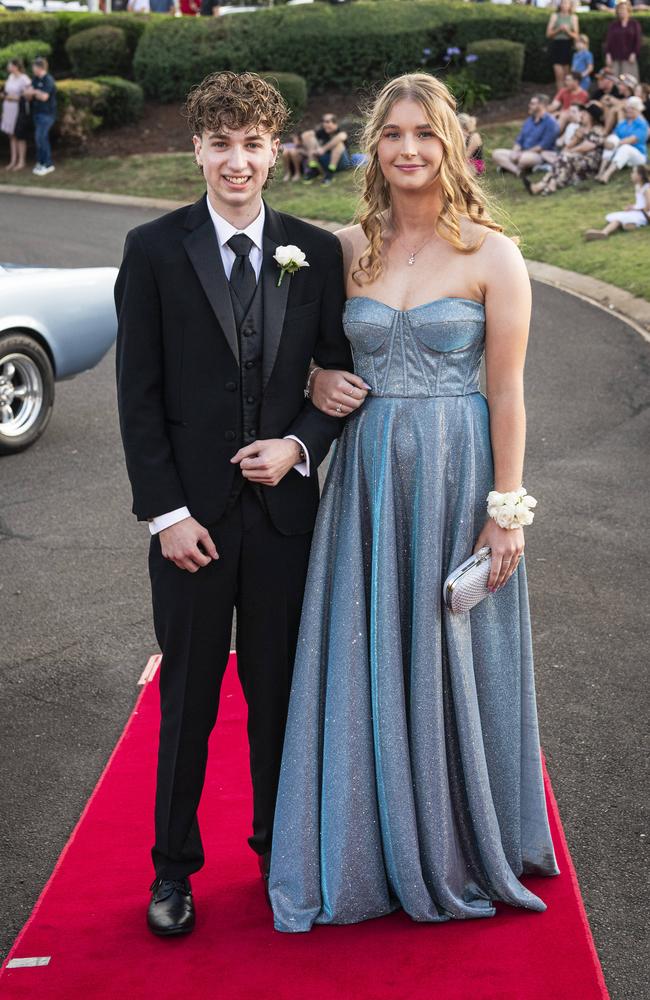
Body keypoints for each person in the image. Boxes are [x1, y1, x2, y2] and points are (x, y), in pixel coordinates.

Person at [269, 71, 560, 933]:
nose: (407, 149)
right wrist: (321, 377)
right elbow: (311, 358)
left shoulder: (493, 254)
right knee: (369, 648)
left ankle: (462, 837)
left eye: (424, 134)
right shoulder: (342, 249)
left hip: (455, 474)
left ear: (451, 144)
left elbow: (506, 394)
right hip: (363, 482)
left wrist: (505, 511)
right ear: (374, 144)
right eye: (392, 134)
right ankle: (364, 843)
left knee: (452, 652)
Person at [115, 71, 357, 937]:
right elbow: (137, 396)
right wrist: (165, 515)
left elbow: (334, 381)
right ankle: (173, 871)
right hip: (190, 526)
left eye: (253, 144)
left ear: (277, 150)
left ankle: (276, 851)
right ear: (197, 151)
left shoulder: (315, 253)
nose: (238, 161)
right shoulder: (152, 249)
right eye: (221, 144)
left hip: (285, 521)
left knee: (279, 695)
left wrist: (298, 447)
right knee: (189, 701)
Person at [525, 102, 605, 194]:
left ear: (591, 116)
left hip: (590, 162)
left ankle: (544, 185)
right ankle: (546, 185)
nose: (582, 115)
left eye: (585, 114)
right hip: (577, 159)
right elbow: (568, 146)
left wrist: (571, 151)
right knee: (562, 159)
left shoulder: (598, 129)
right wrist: (577, 138)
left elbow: (588, 146)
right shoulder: (580, 129)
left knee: (565, 158)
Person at [492, 94, 560, 176]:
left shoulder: (551, 123)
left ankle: (508, 166)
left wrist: (521, 154)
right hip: (522, 153)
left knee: (524, 159)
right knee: (496, 153)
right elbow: (519, 140)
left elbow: (542, 146)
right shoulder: (529, 120)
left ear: (541, 105)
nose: (529, 105)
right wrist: (515, 152)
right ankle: (517, 171)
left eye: (532, 103)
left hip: (539, 155)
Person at [585, 164, 650, 237]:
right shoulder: (638, 186)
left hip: (644, 215)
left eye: (633, 172)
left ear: (640, 176)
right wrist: (632, 206)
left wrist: (634, 208)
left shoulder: (647, 189)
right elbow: (641, 203)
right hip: (639, 212)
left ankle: (604, 232)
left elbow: (648, 207)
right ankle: (608, 231)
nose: (631, 174)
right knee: (620, 220)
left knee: (619, 219)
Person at [596, 95, 648, 181]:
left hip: (638, 156)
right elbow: (614, 135)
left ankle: (606, 175)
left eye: (631, 108)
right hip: (621, 154)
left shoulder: (642, 124)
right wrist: (607, 141)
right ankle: (600, 172)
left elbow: (632, 140)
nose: (628, 110)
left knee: (625, 147)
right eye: (628, 107)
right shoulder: (623, 123)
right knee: (612, 138)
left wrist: (613, 145)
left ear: (637, 110)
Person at [24, 57, 56, 177]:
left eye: (34, 67)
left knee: (41, 137)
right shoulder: (35, 79)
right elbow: (27, 94)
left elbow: (44, 97)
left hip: (47, 114)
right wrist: (33, 93)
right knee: (40, 139)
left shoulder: (48, 80)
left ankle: (48, 164)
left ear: (40, 67)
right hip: (36, 113)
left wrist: (34, 92)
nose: (33, 69)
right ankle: (41, 162)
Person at [302, 113, 353, 184]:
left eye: (327, 122)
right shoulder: (323, 132)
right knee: (310, 137)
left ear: (335, 123)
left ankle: (330, 173)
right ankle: (313, 168)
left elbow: (342, 136)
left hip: (343, 163)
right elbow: (305, 135)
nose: (324, 124)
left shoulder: (341, 131)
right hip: (327, 160)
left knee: (339, 144)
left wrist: (323, 149)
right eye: (323, 121)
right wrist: (316, 148)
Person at [1, 58, 32, 172]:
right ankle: (13, 160)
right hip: (8, 108)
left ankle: (21, 161)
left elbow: (27, 96)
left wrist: (12, 98)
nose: (8, 67)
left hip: (18, 109)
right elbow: (7, 91)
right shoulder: (10, 78)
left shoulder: (24, 79)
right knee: (11, 135)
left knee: (19, 135)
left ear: (16, 66)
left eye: (10, 65)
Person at [546, 0, 580, 92]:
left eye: (567, 3)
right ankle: (560, 95)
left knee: (566, 75)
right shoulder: (555, 16)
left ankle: (567, 96)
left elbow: (576, 35)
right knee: (558, 74)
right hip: (557, 45)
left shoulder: (573, 17)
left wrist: (567, 31)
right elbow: (548, 34)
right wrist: (558, 29)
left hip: (567, 46)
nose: (564, 5)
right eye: (563, 3)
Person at [604, 1, 642, 81]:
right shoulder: (613, 25)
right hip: (615, 57)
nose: (621, 11)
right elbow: (609, 41)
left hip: (629, 58)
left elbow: (638, 40)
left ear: (628, 11)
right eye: (619, 9)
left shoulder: (634, 24)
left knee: (629, 81)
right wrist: (608, 54)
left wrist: (634, 53)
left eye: (623, 9)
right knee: (614, 80)